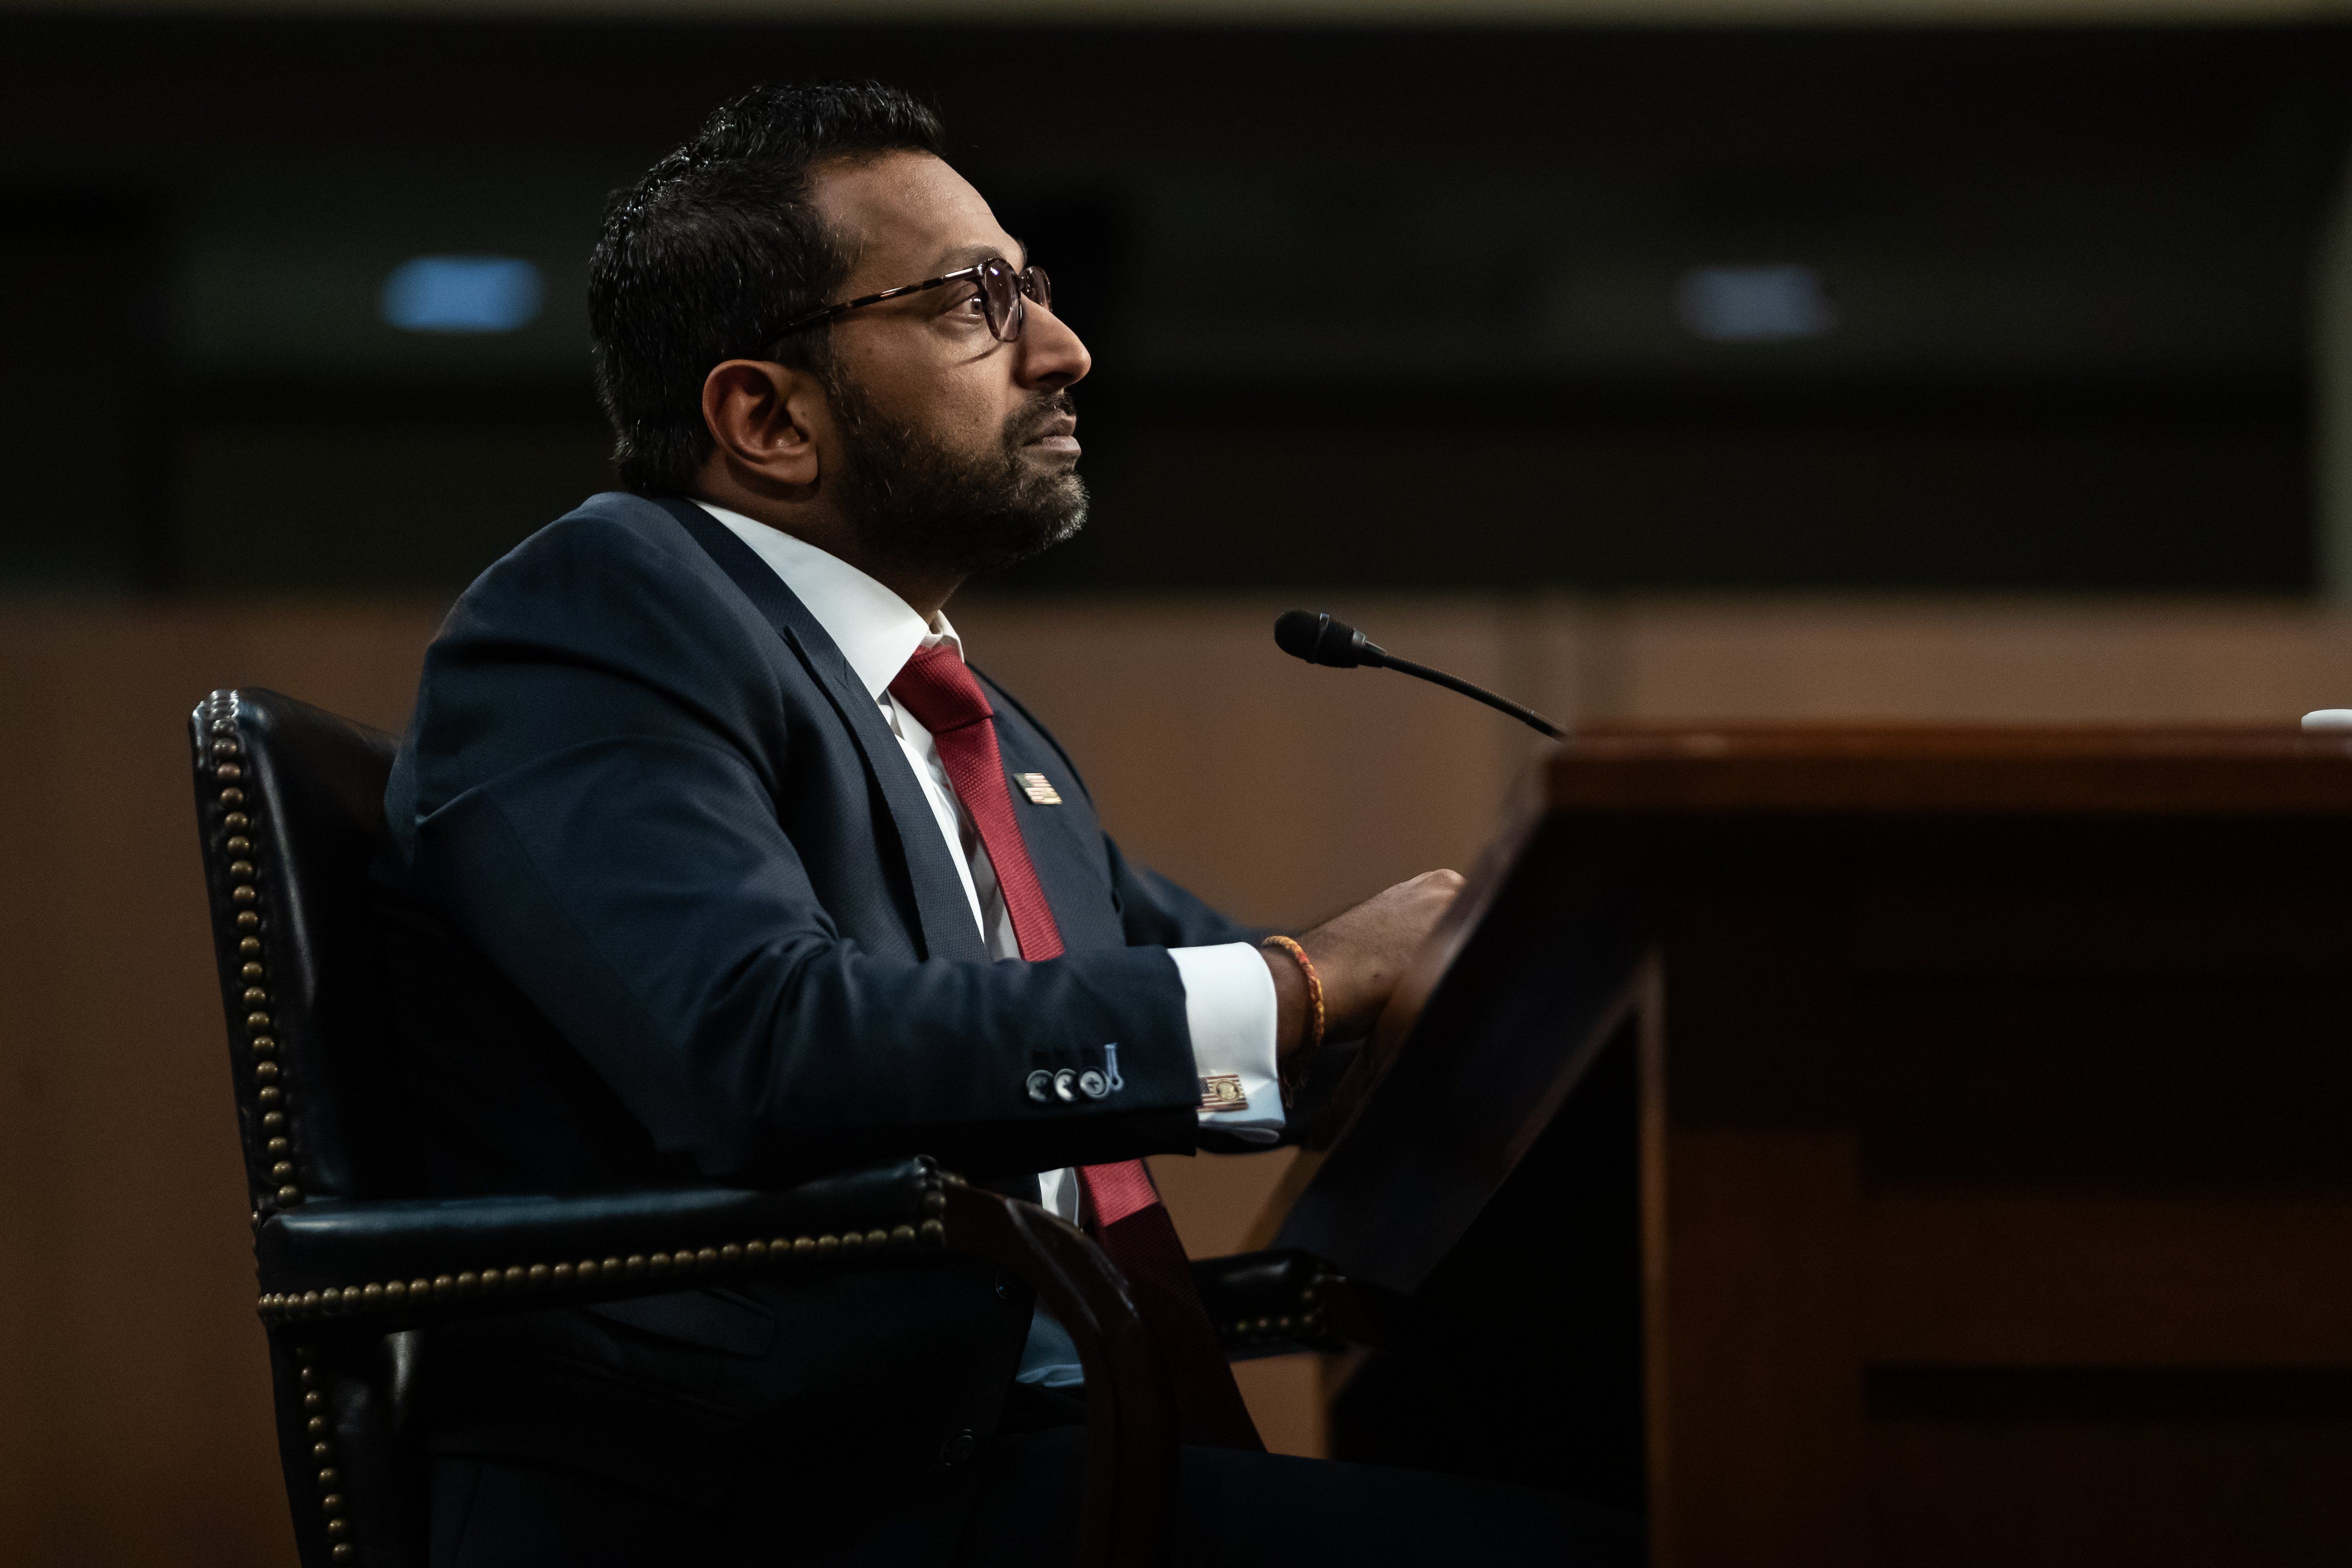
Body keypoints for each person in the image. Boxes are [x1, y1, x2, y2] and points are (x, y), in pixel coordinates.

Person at [377, 79, 1639, 1568]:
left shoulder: (974, 727)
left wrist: (1459, 997)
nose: (1065, 347)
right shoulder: (599, 620)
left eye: (1032, 289)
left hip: (1014, 1466)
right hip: (795, 1503)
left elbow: (1189, 996)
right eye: (978, 301)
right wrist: (1309, 982)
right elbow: (763, 1047)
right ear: (767, 415)